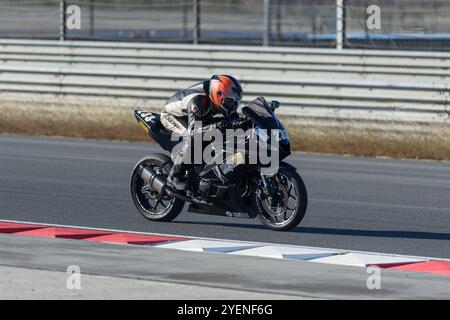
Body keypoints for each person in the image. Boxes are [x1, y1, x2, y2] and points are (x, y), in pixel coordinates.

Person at [160, 74, 243, 191]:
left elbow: (234, 120)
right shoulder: (198, 101)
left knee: (222, 128)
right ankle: (174, 175)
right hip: (173, 116)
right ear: (218, 95)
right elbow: (195, 131)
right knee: (193, 137)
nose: (232, 106)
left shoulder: (218, 95)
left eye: (235, 103)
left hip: (197, 115)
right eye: (229, 102)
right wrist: (217, 126)